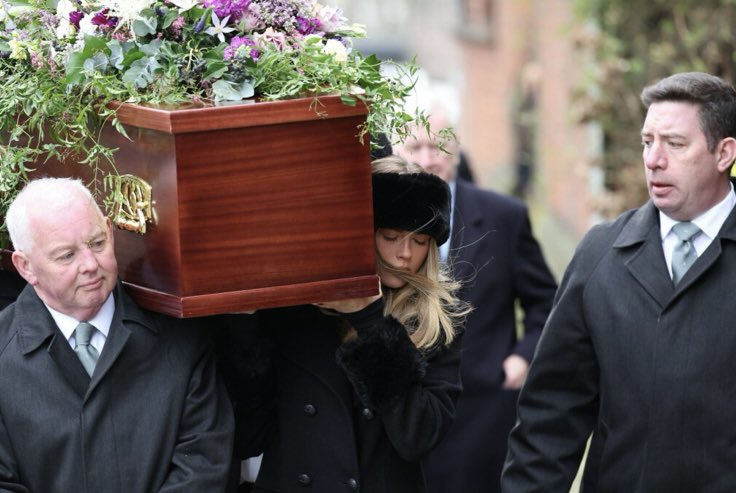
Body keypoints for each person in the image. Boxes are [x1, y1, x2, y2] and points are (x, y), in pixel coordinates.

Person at [501, 71, 736, 491]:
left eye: (675, 144)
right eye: (648, 142)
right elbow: (551, 415)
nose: (653, 159)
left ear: (724, 154)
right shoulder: (600, 254)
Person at [217, 155, 471, 493]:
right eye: (391, 236)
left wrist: (369, 319)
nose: (405, 254)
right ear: (361, 232)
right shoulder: (298, 310)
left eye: (420, 241)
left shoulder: (437, 320)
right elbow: (248, 435)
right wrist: (244, 325)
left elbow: (418, 435)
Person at [0, 177, 234, 492]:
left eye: (97, 243)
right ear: (25, 267)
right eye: (66, 256)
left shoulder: (181, 339)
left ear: (110, 230)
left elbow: (203, 465)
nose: (90, 264)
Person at [396, 102, 558, 493]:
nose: (427, 159)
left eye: (438, 147)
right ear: (396, 150)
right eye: (415, 147)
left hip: (482, 406)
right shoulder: (378, 218)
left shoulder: (505, 216)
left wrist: (522, 358)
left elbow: (548, 301)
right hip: (403, 406)